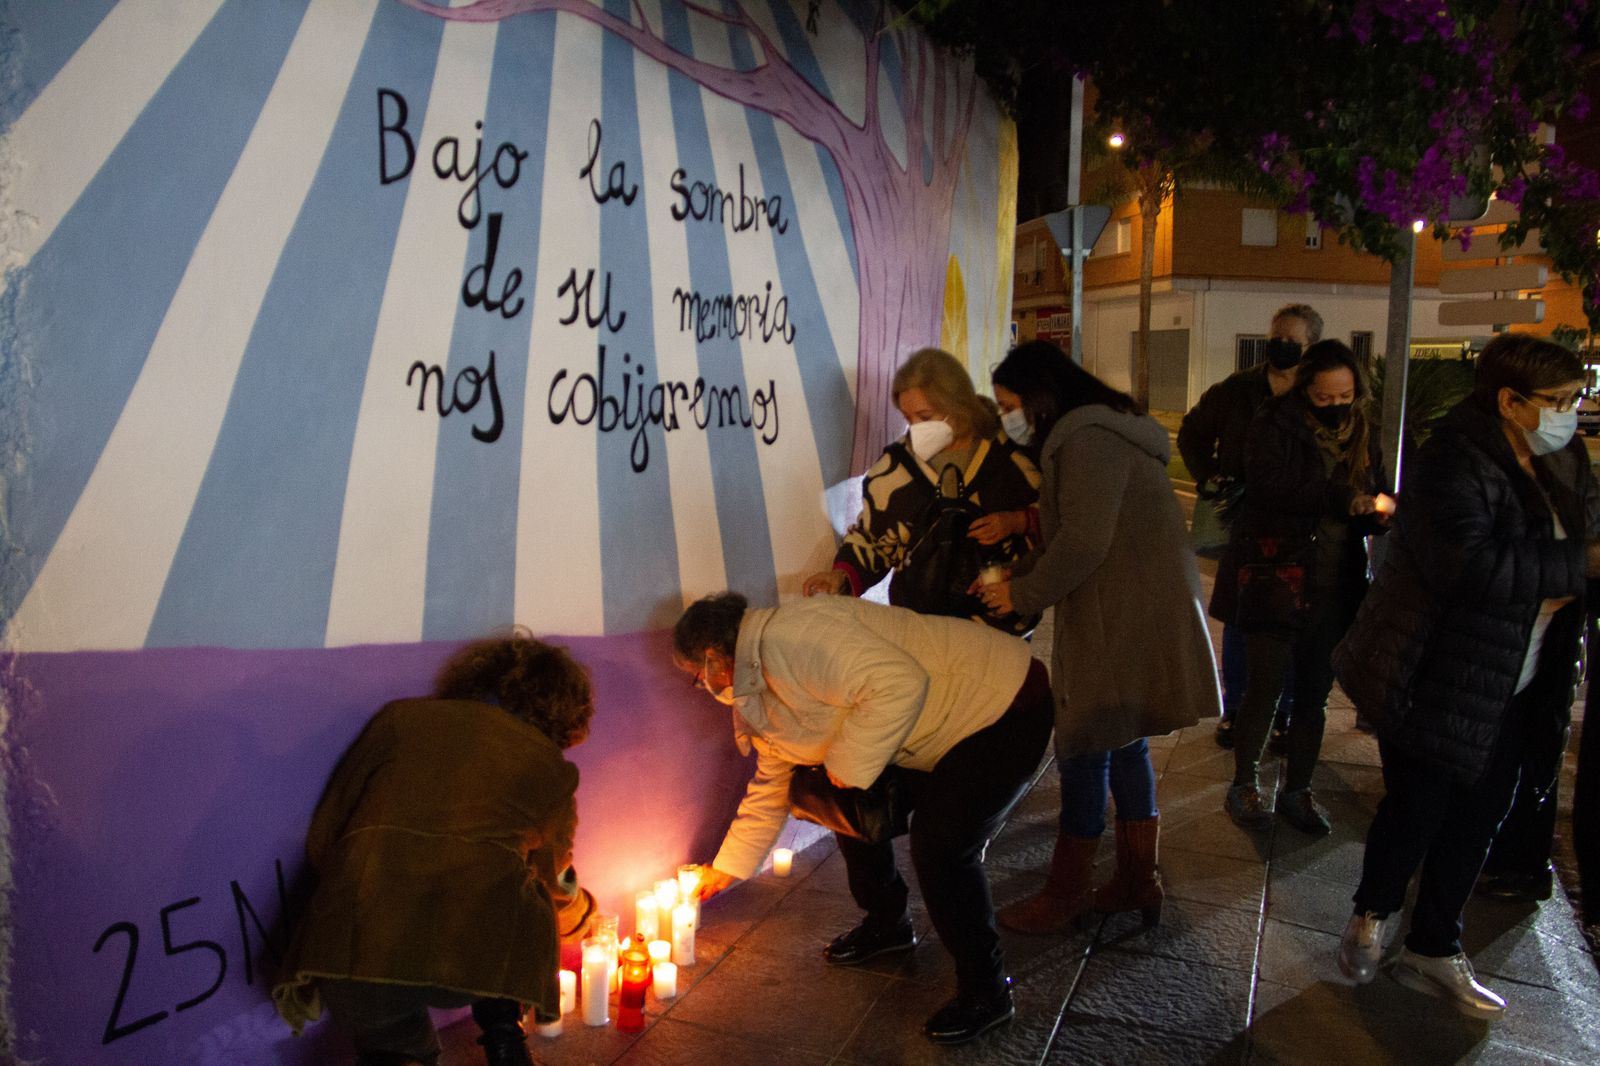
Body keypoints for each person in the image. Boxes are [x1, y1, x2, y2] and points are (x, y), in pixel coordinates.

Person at [1333, 334, 1598, 1018]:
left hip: (1524, 671)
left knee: (1482, 814)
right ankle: (1375, 911)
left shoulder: (1560, 455)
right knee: (1419, 806)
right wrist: (1578, 567)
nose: (1572, 412)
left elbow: (1581, 531)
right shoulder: (1453, 458)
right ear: (1509, 402)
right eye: (1559, 401)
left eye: (1578, 398)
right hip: (1436, 668)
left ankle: (1434, 947)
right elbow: (1469, 566)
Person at [674, 592, 1052, 1045]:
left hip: (1002, 706)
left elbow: (897, 683)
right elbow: (772, 778)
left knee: (942, 848)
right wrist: (728, 867)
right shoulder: (757, 680)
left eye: (696, 677)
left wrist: (848, 769)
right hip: (936, 722)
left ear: (717, 659)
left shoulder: (794, 638)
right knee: (840, 799)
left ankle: (986, 991)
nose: (703, 687)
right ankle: (887, 922)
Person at [976, 341, 1220, 934]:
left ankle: (1066, 893)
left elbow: (1085, 541)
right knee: (1122, 735)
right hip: (1132, 604)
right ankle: (1138, 877)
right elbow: (1074, 530)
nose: (1008, 415)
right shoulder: (1101, 430)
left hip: (1122, 611)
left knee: (1082, 742)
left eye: (1011, 403)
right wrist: (1026, 569)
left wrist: (1023, 594)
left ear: (1041, 395)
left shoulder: (1086, 438)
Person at [273, 632, 599, 1066]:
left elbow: (326, 837)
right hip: (469, 963)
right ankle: (505, 1039)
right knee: (519, 902)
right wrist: (583, 915)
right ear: (563, 715)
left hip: (351, 950)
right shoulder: (548, 766)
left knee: (391, 1044)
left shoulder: (398, 720)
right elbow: (553, 879)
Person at [1212, 339, 1391, 835]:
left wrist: (1378, 513)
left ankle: (1298, 790)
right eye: (1325, 398)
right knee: (1266, 687)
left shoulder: (1362, 431)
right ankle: (1244, 784)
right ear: (1305, 390)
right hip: (1278, 576)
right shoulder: (1274, 423)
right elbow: (1272, 485)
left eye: (1345, 397)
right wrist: (1343, 498)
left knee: (1314, 695)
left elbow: (1372, 489)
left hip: (1336, 583)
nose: (1337, 407)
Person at [802, 347, 1040, 634]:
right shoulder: (896, 468)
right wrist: (841, 575)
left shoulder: (1012, 459)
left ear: (958, 405)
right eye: (908, 417)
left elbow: (1057, 525)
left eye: (925, 416)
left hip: (1001, 630)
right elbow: (874, 540)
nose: (916, 428)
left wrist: (1017, 522)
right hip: (923, 631)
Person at [1179, 304, 1323, 750]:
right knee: (1242, 620)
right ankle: (1237, 709)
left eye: (1291, 340)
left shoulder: (1320, 393)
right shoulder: (1238, 390)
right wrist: (1207, 476)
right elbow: (1193, 431)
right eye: (1275, 336)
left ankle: (1284, 712)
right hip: (1244, 526)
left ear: (1311, 346)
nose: (1279, 345)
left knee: (1292, 622)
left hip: (1301, 531)